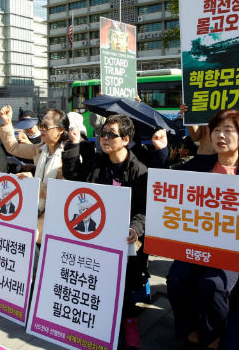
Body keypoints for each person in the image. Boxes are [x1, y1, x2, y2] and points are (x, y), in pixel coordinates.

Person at [161, 109, 239, 350]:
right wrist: (161, 152)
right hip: (198, 245)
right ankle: (189, 332)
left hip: (235, 251)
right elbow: (163, 183)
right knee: (177, 278)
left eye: (228, 130)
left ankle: (212, 337)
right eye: (217, 130)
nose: (220, 135)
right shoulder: (199, 165)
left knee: (212, 285)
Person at [63, 114, 167, 349]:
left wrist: (135, 229)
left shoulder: (139, 171)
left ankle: (129, 320)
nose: (105, 138)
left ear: (126, 139)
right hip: (94, 232)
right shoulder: (97, 164)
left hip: (125, 237)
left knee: (124, 270)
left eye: (112, 135)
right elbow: (72, 175)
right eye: (103, 134)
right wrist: (74, 144)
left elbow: (144, 211)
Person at [0, 105, 69, 243]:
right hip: (34, 207)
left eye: (46, 126)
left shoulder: (68, 156)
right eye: (41, 125)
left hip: (54, 215)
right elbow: (14, 147)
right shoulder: (41, 149)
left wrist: (34, 184)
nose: (41, 129)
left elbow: (63, 193)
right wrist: (7, 123)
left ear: (60, 130)